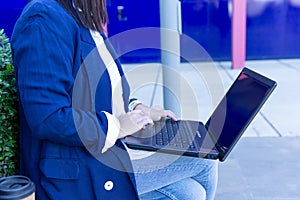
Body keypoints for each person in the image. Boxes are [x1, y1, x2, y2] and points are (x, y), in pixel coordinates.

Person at [11, 0, 218, 199]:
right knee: (203, 160)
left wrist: (137, 109)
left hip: (103, 152)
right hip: (73, 170)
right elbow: (47, 117)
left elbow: (101, 88)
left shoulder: (81, 15)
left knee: (189, 192)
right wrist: (117, 126)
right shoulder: (43, 18)